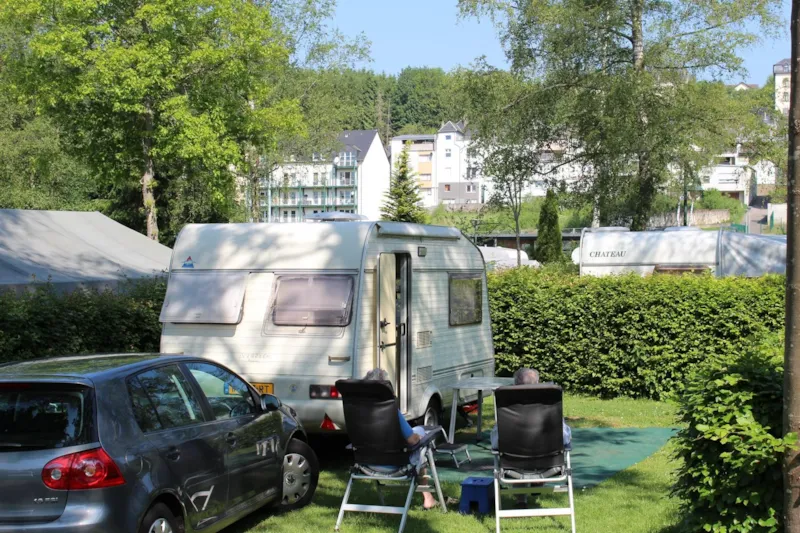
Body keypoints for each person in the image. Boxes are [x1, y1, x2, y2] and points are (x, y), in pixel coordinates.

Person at [363, 368, 438, 510]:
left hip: (366, 463)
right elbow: (411, 440)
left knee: (417, 440)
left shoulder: (358, 412)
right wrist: (420, 437)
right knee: (420, 439)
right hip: (393, 464)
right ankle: (428, 497)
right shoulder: (389, 410)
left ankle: (428, 497)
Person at [490, 368, 572, 450]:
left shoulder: (507, 403)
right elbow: (565, 439)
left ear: (515, 384)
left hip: (512, 458)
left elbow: (495, 443)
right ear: (538, 382)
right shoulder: (549, 401)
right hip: (549, 456)